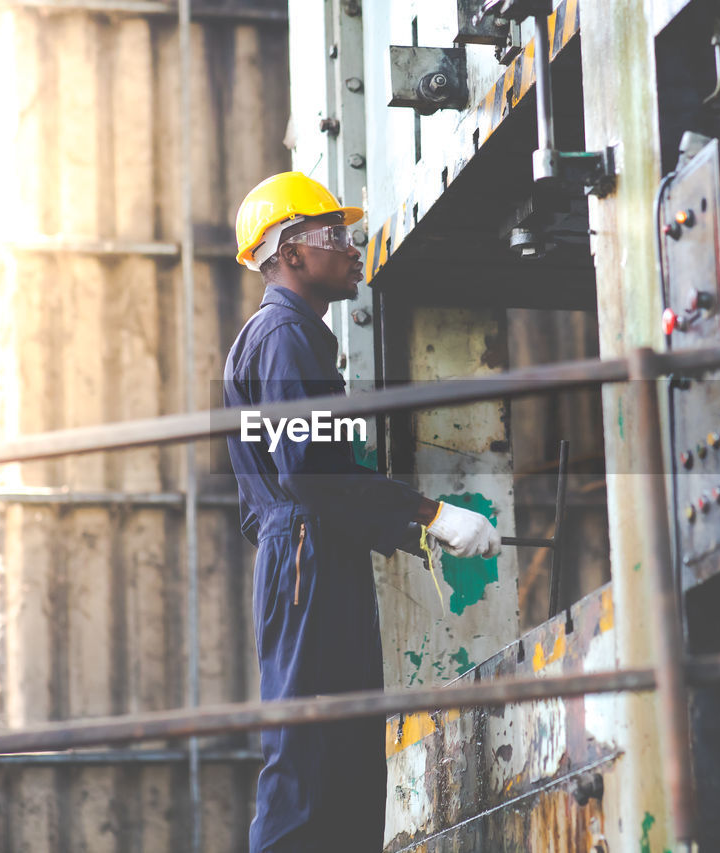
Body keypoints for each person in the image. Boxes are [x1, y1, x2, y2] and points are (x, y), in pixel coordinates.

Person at [224, 172, 501, 852]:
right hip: (306, 554)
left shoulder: (294, 337)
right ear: (290, 251)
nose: (353, 249)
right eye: (335, 236)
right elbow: (311, 473)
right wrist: (431, 513)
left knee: (344, 751)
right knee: (308, 749)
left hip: (312, 548)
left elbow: (314, 477)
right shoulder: (283, 336)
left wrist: (414, 532)